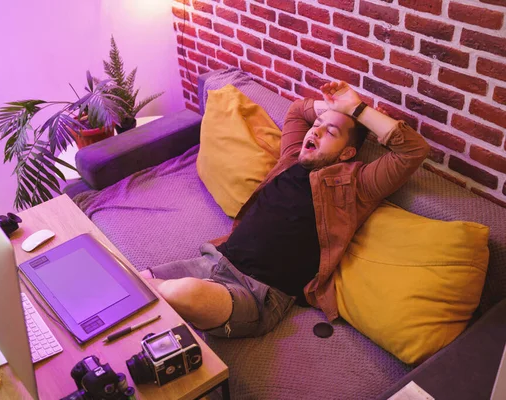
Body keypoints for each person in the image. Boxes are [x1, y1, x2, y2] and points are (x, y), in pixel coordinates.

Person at [140, 80, 430, 338]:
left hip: (258, 294)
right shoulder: (292, 157)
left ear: (347, 152)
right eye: (317, 125)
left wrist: (356, 108)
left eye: (329, 131)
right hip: (215, 260)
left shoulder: (357, 185)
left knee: (178, 293)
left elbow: (413, 150)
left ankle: (164, 305)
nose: (315, 130)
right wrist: (332, 107)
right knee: (135, 283)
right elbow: (297, 111)